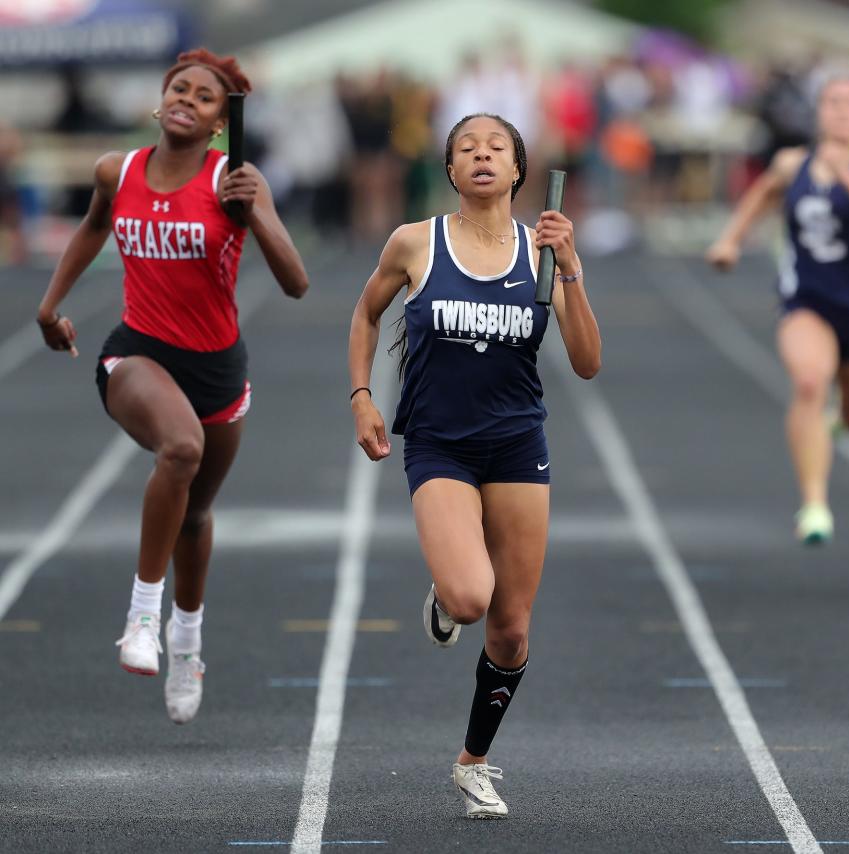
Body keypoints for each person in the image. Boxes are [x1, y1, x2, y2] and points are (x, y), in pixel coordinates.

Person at [36, 48, 309, 723]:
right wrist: (50, 306)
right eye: (178, 88)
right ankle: (142, 618)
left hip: (217, 368)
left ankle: (187, 642)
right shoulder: (117, 169)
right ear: (161, 103)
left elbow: (296, 283)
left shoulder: (234, 179)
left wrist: (258, 214)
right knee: (179, 450)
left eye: (206, 96)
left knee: (194, 513)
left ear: (222, 121)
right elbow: (95, 224)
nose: (189, 98)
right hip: (136, 352)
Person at [348, 113, 601, 817]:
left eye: (497, 148)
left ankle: (474, 763)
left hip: (518, 442)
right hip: (440, 443)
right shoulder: (415, 243)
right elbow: (367, 315)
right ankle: (445, 591)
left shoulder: (542, 250)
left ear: (519, 170)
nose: (482, 156)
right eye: (467, 149)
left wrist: (572, 267)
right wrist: (363, 395)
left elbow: (586, 363)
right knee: (467, 598)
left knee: (511, 629)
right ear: (451, 171)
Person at [706, 74, 849, 544]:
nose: (841, 111)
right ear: (818, 112)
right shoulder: (792, 162)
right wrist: (730, 240)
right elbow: (761, 195)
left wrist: (845, 176)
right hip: (806, 300)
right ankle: (815, 506)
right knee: (809, 382)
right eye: (833, 102)